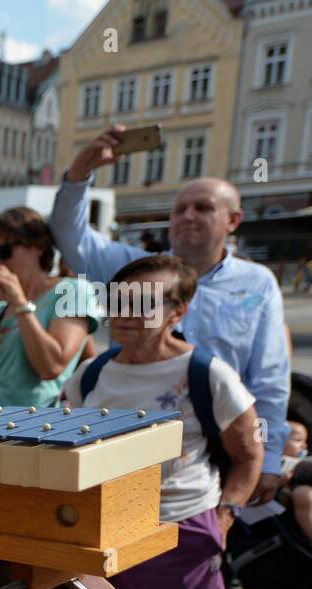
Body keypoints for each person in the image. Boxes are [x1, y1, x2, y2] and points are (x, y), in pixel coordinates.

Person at [50, 123, 290, 505]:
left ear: (233, 220)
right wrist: (82, 170)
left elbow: (270, 376)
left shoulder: (257, 282)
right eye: (180, 209)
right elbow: (69, 235)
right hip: (134, 456)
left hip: (220, 450)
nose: (188, 216)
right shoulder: (131, 267)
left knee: (204, 547)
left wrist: (271, 456)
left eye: (204, 208)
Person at [61, 256, 262, 589]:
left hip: (176, 528)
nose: (125, 313)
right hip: (99, 529)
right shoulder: (89, 374)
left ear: (177, 311)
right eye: (119, 300)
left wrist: (225, 516)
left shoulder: (207, 374)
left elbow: (249, 454)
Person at [0, 207, 100, 408]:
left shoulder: (71, 290)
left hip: (32, 432)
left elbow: (51, 366)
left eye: (4, 252)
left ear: (39, 247)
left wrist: (19, 302)